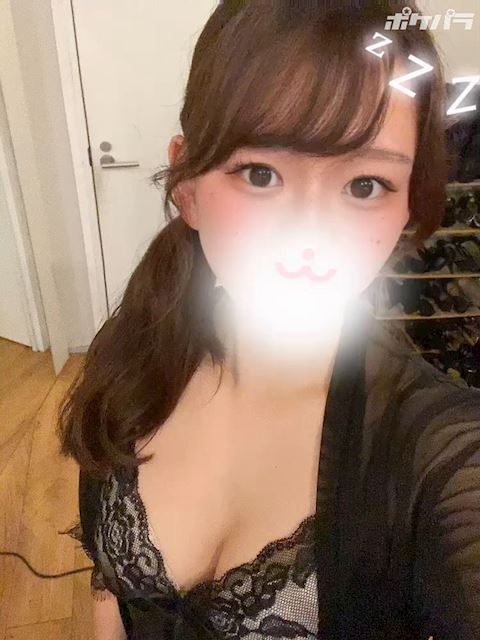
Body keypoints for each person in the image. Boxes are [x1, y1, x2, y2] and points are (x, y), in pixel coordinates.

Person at [58, 1, 480, 638]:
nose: (308, 237)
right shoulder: (136, 344)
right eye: (261, 174)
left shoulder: (440, 459)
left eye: (365, 185)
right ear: (188, 188)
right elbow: (109, 588)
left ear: (405, 209)